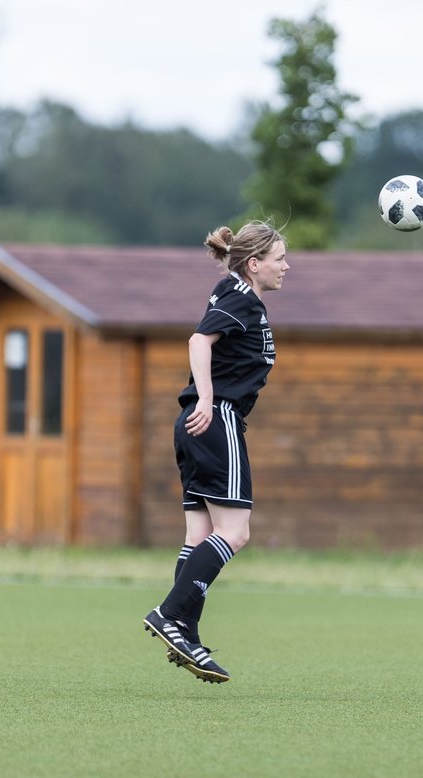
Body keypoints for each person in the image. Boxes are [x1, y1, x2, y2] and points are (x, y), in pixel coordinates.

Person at [143, 220, 289, 684]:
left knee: (199, 534)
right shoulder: (239, 296)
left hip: (200, 423)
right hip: (215, 418)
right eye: (279, 258)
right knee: (236, 532)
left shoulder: (238, 292)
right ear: (254, 263)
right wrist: (206, 397)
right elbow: (198, 340)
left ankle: (184, 628)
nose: (287, 265)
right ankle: (169, 614)